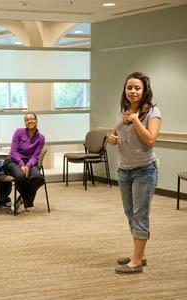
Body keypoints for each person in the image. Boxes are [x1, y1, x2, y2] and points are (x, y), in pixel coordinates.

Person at [108, 72, 161, 274]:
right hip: (125, 170)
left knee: (140, 214)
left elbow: (150, 140)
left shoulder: (153, 112)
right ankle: (139, 253)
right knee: (130, 213)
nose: (132, 91)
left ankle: (137, 261)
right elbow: (116, 132)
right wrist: (112, 138)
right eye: (129, 87)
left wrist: (136, 120)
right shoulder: (124, 110)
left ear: (144, 90)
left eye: (137, 88)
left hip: (144, 170)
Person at [4, 112, 45, 212]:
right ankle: (27, 201)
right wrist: (22, 165)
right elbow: (13, 151)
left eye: (32, 119)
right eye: (27, 119)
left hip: (29, 162)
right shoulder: (19, 132)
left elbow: (35, 155)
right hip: (13, 161)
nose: (30, 121)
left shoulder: (41, 138)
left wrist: (29, 165)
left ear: (36, 120)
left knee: (39, 178)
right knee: (21, 176)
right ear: (25, 122)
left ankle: (22, 199)